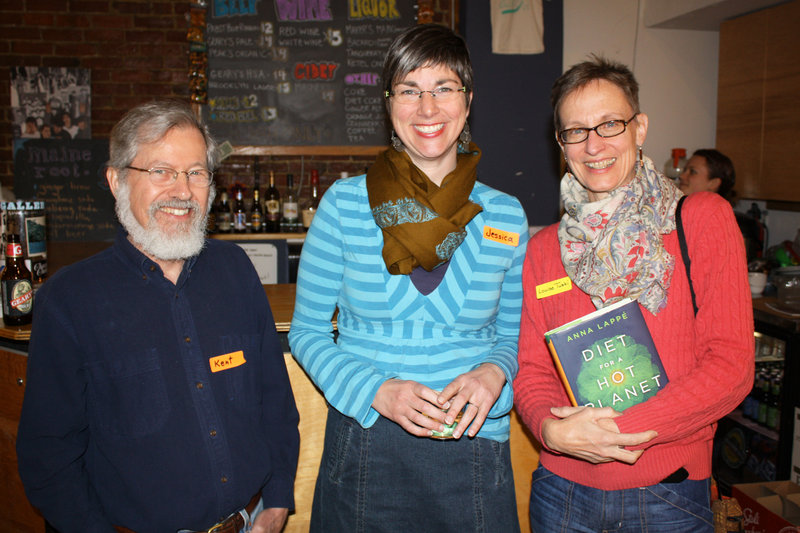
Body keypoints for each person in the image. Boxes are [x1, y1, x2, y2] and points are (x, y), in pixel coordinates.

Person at [17, 99, 300, 533]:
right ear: (116, 181)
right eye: (161, 171)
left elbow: (275, 402)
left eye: (196, 173)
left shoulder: (236, 271)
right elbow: (48, 459)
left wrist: (278, 498)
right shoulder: (69, 301)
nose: (182, 191)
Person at [289, 23, 528, 532]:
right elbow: (307, 331)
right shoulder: (344, 205)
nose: (427, 108)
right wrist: (376, 390)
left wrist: (493, 373)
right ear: (388, 103)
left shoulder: (505, 216)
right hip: (366, 443)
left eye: (443, 88)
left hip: (474, 443)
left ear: (467, 100)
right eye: (410, 91)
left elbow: (513, 336)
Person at [514, 56, 753, 532]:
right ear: (561, 144)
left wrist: (613, 432)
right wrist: (549, 429)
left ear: (639, 128)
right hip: (560, 493)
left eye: (610, 124)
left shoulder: (702, 219)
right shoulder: (544, 249)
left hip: (667, 491)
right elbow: (531, 370)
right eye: (576, 131)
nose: (594, 145)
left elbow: (730, 366)